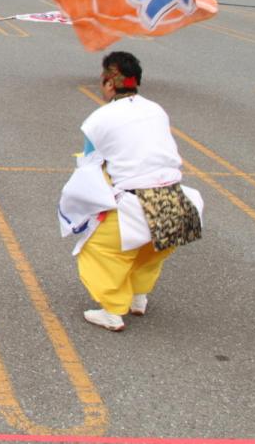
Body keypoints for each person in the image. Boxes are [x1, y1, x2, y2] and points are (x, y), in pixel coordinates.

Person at [58, 52, 203, 332]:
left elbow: (90, 161)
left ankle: (112, 311)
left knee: (101, 249)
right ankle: (138, 297)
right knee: (150, 250)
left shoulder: (99, 118)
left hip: (137, 203)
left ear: (109, 83)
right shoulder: (156, 109)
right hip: (177, 204)